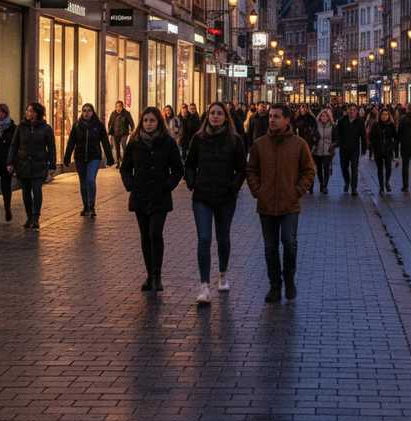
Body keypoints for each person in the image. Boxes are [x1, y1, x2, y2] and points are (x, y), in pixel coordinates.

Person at [246, 104, 316, 303]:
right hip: (266, 205)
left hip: (289, 205)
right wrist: (258, 191)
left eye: (276, 116)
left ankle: (289, 278)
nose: (272, 120)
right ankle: (274, 286)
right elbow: (251, 170)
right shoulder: (260, 144)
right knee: (270, 247)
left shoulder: (299, 144)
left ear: (287, 120)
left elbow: (309, 171)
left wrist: (297, 191)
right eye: (270, 116)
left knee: (289, 242)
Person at [184, 101, 247, 305]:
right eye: (212, 113)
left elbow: (241, 169)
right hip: (202, 196)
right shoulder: (198, 138)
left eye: (220, 113)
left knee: (223, 237)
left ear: (225, 117)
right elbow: (190, 164)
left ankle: (222, 274)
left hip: (225, 197)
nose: (216, 117)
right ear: (207, 116)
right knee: (204, 239)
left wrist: (234, 186)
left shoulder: (234, 140)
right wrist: (192, 182)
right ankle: (204, 285)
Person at [120, 107, 183, 291]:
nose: (148, 124)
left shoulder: (167, 142)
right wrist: (130, 184)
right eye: (146, 120)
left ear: (159, 122)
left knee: (155, 233)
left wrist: (167, 185)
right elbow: (125, 168)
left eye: (152, 120)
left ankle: (157, 275)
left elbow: (178, 169)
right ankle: (149, 275)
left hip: (159, 196)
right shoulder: (135, 142)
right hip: (140, 195)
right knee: (145, 236)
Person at [7, 102, 56, 230]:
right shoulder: (21, 127)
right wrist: (10, 162)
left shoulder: (46, 128)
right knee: (26, 192)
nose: (28, 113)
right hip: (23, 164)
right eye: (27, 111)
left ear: (37, 113)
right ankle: (29, 216)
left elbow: (51, 148)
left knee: (37, 190)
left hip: (38, 164)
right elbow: (14, 145)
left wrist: (52, 166)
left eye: (31, 111)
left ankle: (35, 218)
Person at [63, 103, 114, 217]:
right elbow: (71, 142)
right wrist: (66, 157)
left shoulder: (98, 125)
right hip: (80, 157)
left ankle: (92, 206)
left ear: (93, 112)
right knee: (83, 182)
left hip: (94, 157)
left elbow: (105, 142)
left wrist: (110, 158)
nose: (86, 113)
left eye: (89, 110)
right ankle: (86, 206)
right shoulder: (77, 125)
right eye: (84, 111)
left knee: (90, 180)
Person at [336, 104, 367, 195]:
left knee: (354, 168)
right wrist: (338, 143)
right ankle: (347, 181)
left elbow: (363, 136)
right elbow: (338, 134)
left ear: (356, 111)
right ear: (347, 110)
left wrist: (364, 149)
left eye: (354, 110)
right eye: (350, 109)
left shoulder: (360, 122)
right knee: (344, 167)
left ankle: (354, 188)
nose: (352, 111)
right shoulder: (342, 121)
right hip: (344, 149)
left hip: (355, 149)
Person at [370, 108, 398, 194]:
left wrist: (395, 151)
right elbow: (372, 137)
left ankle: (387, 182)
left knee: (388, 168)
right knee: (380, 169)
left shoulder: (391, 125)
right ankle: (381, 187)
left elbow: (396, 138)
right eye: (383, 114)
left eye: (386, 115)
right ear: (380, 115)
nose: (384, 116)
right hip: (378, 150)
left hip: (388, 150)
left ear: (388, 116)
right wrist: (375, 147)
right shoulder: (376, 125)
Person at [294, 104, 319, 192]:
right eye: (301, 107)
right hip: (298, 144)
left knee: (308, 166)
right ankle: (301, 185)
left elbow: (315, 131)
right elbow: (294, 130)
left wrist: (314, 141)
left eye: (304, 108)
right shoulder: (297, 118)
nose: (303, 109)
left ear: (307, 109)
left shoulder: (311, 119)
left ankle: (310, 185)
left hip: (309, 144)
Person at [313, 108, 337, 194]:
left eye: (326, 116)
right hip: (317, 150)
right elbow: (313, 136)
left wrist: (333, 145)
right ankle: (321, 183)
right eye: (322, 116)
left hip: (328, 151)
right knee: (319, 169)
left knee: (326, 168)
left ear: (328, 117)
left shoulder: (332, 126)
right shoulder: (316, 126)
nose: (324, 117)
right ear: (320, 117)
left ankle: (325, 186)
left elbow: (336, 139)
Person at [107, 101, 134, 165]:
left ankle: (126, 160)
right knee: (117, 148)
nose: (118, 108)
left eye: (119, 106)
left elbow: (131, 123)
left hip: (124, 133)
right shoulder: (113, 113)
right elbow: (110, 123)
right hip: (115, 133)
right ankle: (118, 162)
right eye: (117, 107)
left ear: (122, 107)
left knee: (123, 145)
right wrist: (109, 130)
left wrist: (132, 130)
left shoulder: (126, 113)